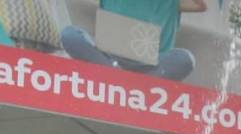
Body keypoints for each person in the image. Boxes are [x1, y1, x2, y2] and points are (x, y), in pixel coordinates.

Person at [60, 0, 208, 82]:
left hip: (148, 67)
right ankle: (122, 78)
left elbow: (201, 4)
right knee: (70, 35)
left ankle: (122, 79)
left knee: (186, 59)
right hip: (109, 58)